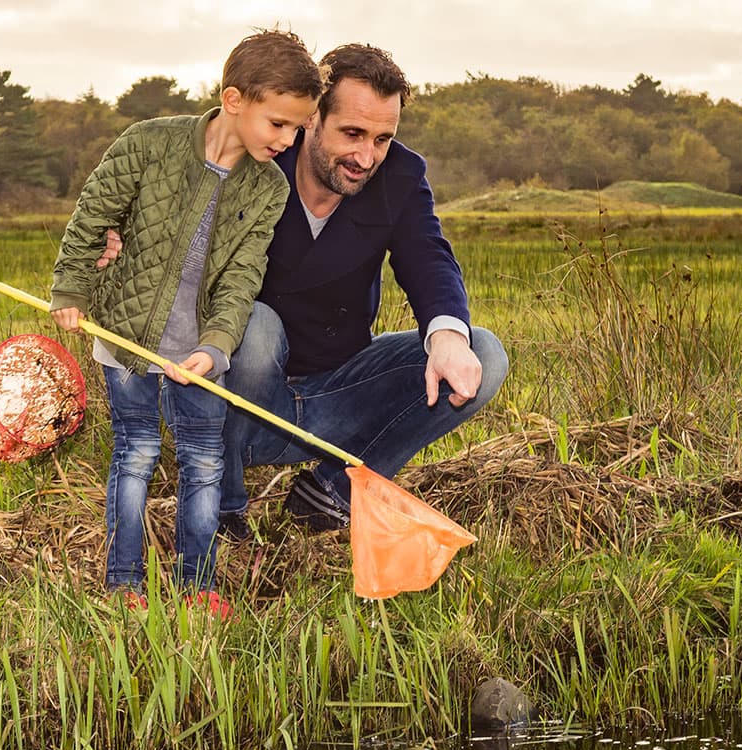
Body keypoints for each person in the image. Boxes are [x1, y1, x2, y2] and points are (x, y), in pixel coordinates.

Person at [99, 43, 507, 537]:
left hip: (337, 389)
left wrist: (445, 337)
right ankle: (225, 508)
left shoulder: (401, 175)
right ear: (310, 117)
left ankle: (334, 490)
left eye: (382, 138)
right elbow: (161, 205)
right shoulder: (253, 157)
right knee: (255, 326)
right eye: (352, 133)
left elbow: (429, 257)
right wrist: (119, 234)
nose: (366, 156)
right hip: (236, 400)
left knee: (482, 350)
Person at [49, 29, 321, 607]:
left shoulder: (269, 188)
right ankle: (124, 581)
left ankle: (196, 586)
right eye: (279, 123)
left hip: (198, 353)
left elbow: (244, 276)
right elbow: (93, 215)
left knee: (203, 459)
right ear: (233, 100)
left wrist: (218, 346)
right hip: (123, 340)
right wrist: (71, 288)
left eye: (298, 128)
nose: (288, 139)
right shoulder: (148, 144)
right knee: (136, 452)